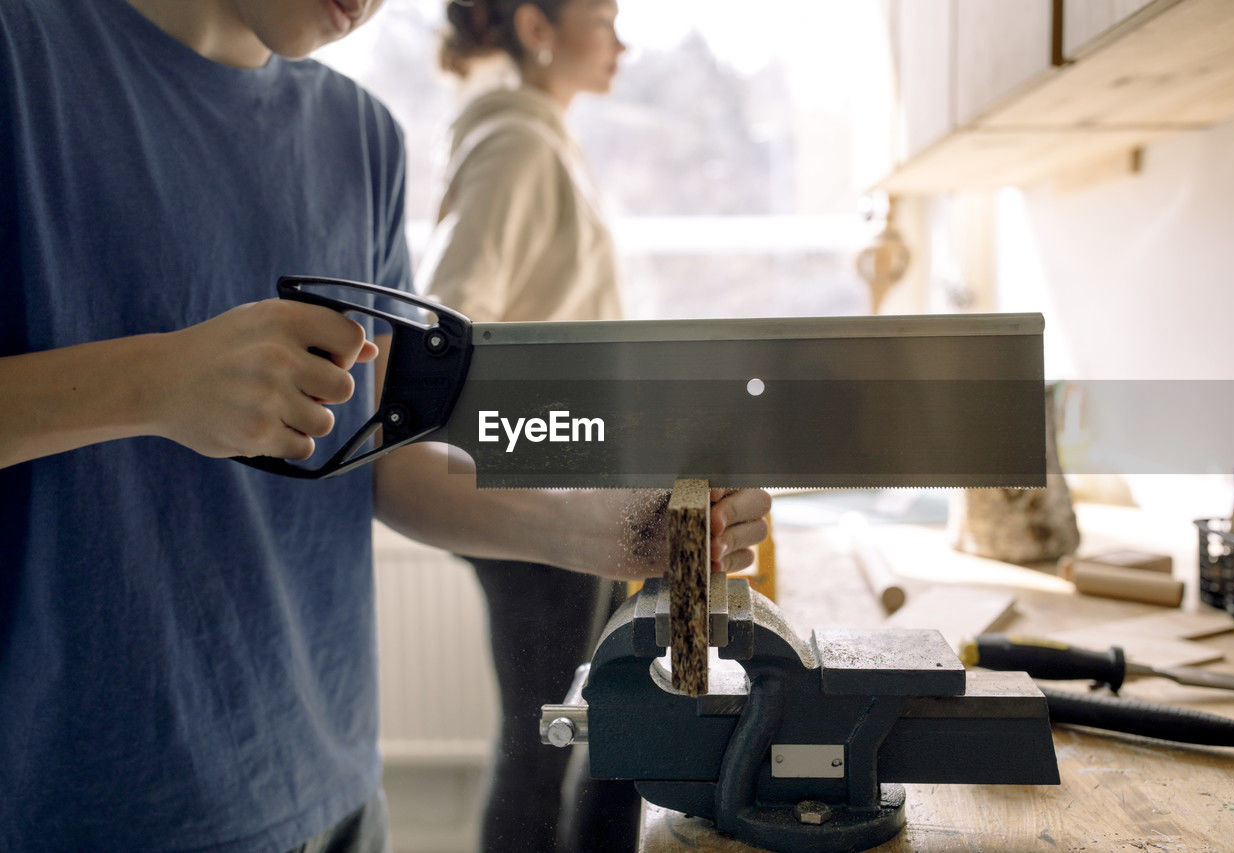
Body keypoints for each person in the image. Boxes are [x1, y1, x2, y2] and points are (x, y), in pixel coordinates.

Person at [0, 1, 772, 851]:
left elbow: (389, 463)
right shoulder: (22, 56)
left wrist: (620, 529)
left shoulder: (360, 135)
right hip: (79, 811)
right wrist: (155, 381)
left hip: (333, 794)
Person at [418, 2, 641, 850]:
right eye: (602, 17)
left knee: (575, 735)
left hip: (569, 489)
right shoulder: (515, 145)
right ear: (536, 28)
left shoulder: (544, 138)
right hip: (539, 497)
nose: (621, 40)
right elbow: (448, 325)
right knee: (545, 741)